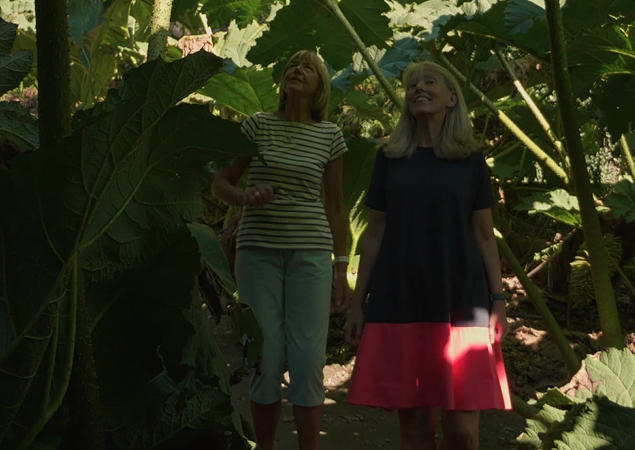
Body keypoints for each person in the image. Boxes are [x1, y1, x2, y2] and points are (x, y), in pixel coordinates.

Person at [345, 60, 511, 450]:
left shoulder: (471, 160)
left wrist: (499, 300)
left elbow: (485, 237)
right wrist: (357, 304)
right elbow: (375, 234)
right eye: (412, 84)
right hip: (401, 298)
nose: (418, 87)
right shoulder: (389, 158)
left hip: (462, 298)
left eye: (429, 81)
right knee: (416, 429)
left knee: (463, 429)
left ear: (452, 98)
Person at [211, 50, 349, 450]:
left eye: (307, 67)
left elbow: (336, 207)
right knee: (264, 358)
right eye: (291, 65)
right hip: (258, 253)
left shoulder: (330, 136)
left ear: (320, 86)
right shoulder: (257, 126)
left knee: (308, 361)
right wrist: (244, 197)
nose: (296, 70)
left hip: (311, 253)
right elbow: (222, 183)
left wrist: (341, 266)